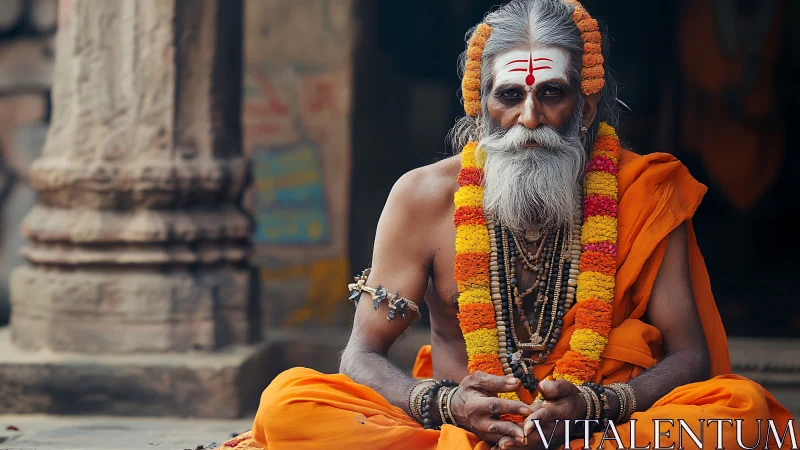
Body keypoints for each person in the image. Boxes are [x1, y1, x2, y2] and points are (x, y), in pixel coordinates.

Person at [225, 1, 795, 448]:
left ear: (585, 106)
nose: (529, 118)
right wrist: (446, 405)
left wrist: (595, 407)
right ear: (480, 106)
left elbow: (689, 357)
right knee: (289, 404)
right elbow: (361, 354)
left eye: (551, 93)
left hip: (598, 429)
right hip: (458, 429)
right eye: (509, 96)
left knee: (739, 411)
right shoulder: (423, 198)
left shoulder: (642, 193)